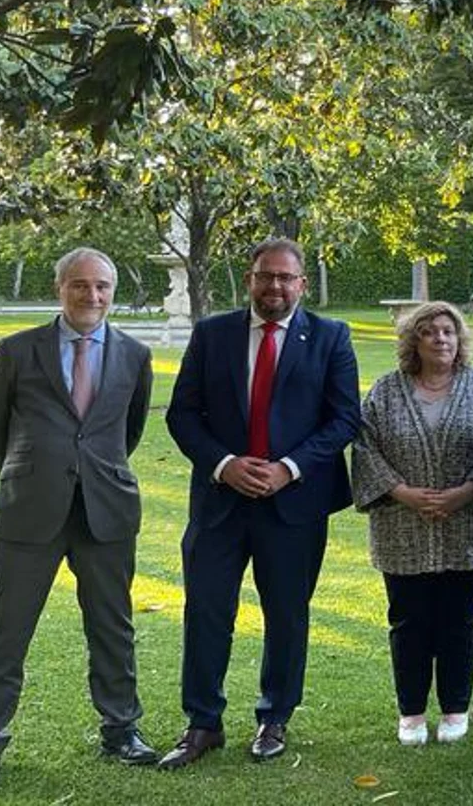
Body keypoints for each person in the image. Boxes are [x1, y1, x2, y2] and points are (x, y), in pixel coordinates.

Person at [0, 249, 158, 790]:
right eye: (81, 286)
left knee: (113, 628)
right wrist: (36, 474)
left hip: (106, 513)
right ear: (60, 287)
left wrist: (92, 476)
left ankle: (121, 729)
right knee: (5, 632)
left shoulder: (134, 355)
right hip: (30, 512)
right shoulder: (17, 351)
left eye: (103, 287)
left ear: (113, 291)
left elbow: (127, 433)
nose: (92, 297)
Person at [160, 238, 361, 769]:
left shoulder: (330, 337)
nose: (275, 286)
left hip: (293, 504)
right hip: (220, 502)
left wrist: (286, 469)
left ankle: (275, 718)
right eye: (265, 276)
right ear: (249, 279)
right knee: (206, 612)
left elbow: (343, 420)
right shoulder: (212, 334)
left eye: (285, 278)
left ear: (302, 284)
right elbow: (182, 415)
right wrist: (225, 464)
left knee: (286, 616)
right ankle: (203, 723)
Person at [350, 302, 473, 747]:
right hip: (402, 525)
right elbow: (364, 447)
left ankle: (455, 707)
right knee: (409, 622)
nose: (440, 339)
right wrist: (401, 491)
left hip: (465, 523)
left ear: (460, 339)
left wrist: (467, 490)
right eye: (429, 331)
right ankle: (411, 712)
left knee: (460, 619)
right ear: (414, 340)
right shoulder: (385, 391)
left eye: (449, 331)